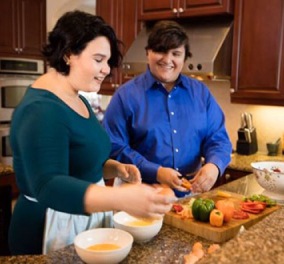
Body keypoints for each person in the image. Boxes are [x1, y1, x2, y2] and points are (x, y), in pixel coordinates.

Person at [9, 11, 175, 256]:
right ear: (68, 54)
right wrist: (120, 199)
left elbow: (77, 162)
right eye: (98, 59)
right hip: (50, 227)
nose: (106, 70)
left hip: (82, 221)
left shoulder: (76, 98)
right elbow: (48, 185)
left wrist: (111, 167)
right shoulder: (41, 110)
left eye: (107, 61)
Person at [103, 20, 232, 197]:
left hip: (189, 196)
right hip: (138, 194)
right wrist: (155, 172)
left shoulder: (201, 93)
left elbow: (218, 139)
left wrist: (214, 166)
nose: (167, 59)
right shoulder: (125, 96)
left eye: (176, 53)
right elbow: (114, 147)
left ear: (185, 58)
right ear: (148, 52)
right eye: (160, 51)